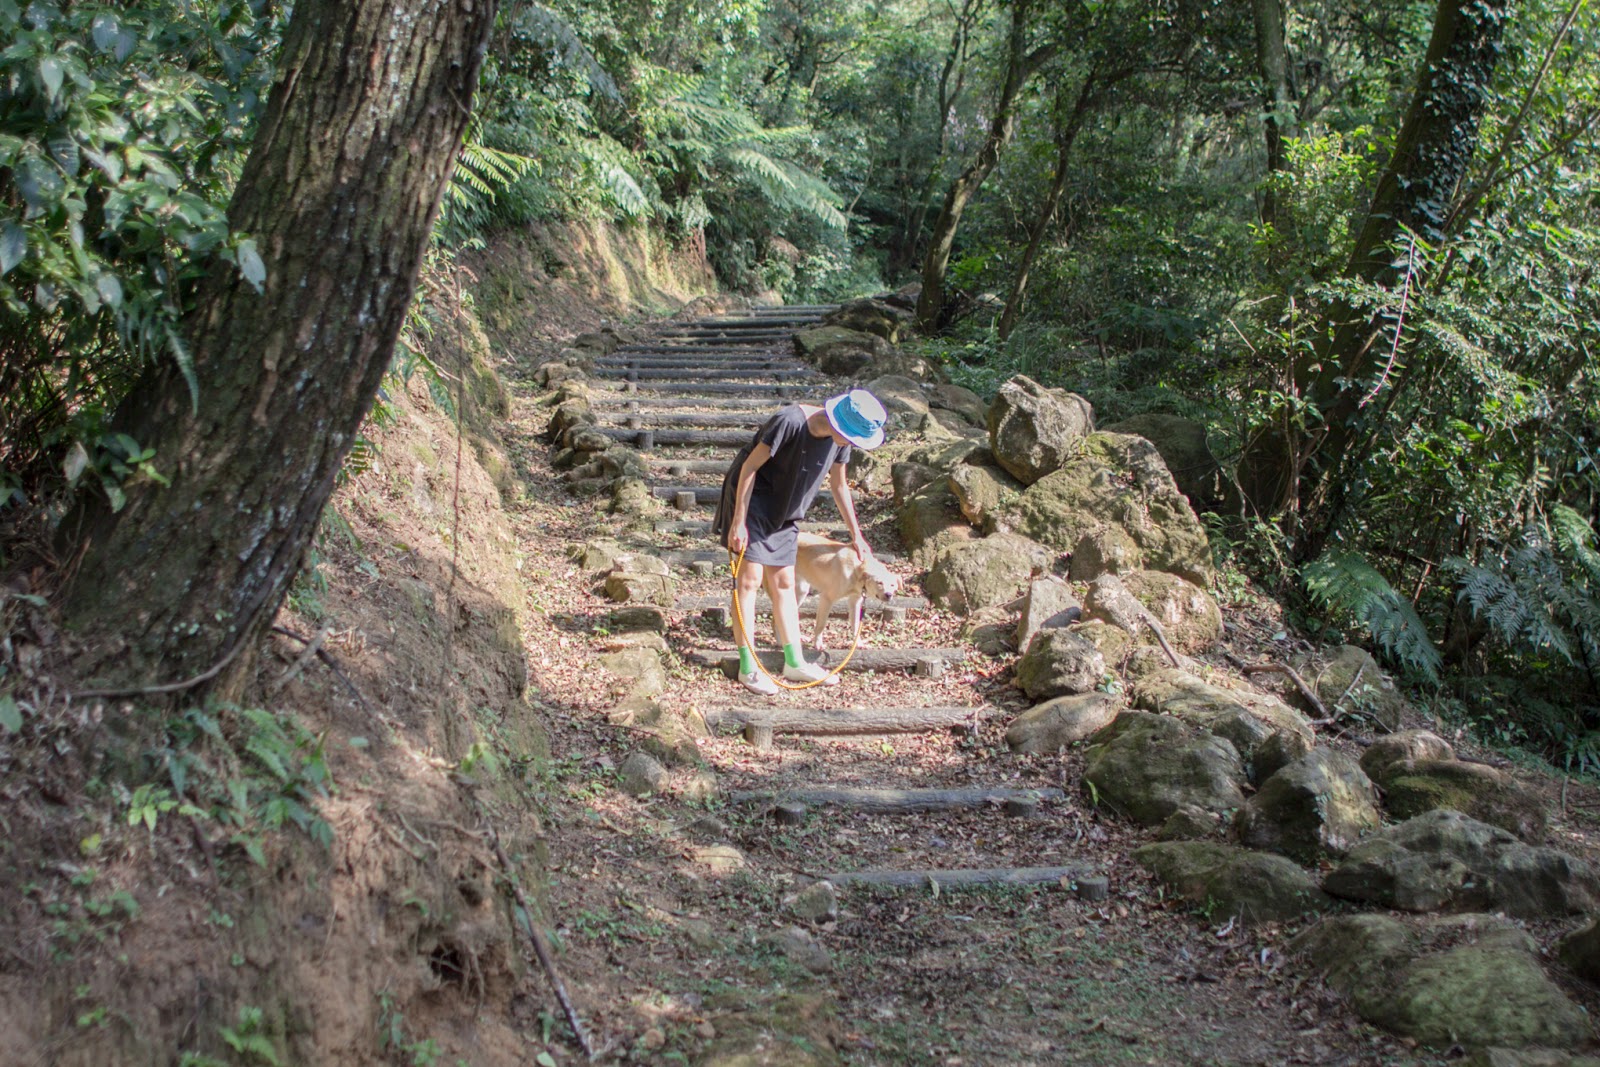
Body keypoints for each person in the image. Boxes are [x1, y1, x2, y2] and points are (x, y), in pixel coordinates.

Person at [712, 389, 888, 695]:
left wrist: (857, 534)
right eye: (851, 437)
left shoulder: (840, 442)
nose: (851, 443)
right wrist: (738, 521)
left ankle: (794, 662)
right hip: (752, 501)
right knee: (749, 581)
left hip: (786, 508)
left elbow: (839, 485)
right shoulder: (790, 421)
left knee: (784, 582)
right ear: (837, 422)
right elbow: (749, 468)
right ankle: (748, 667)